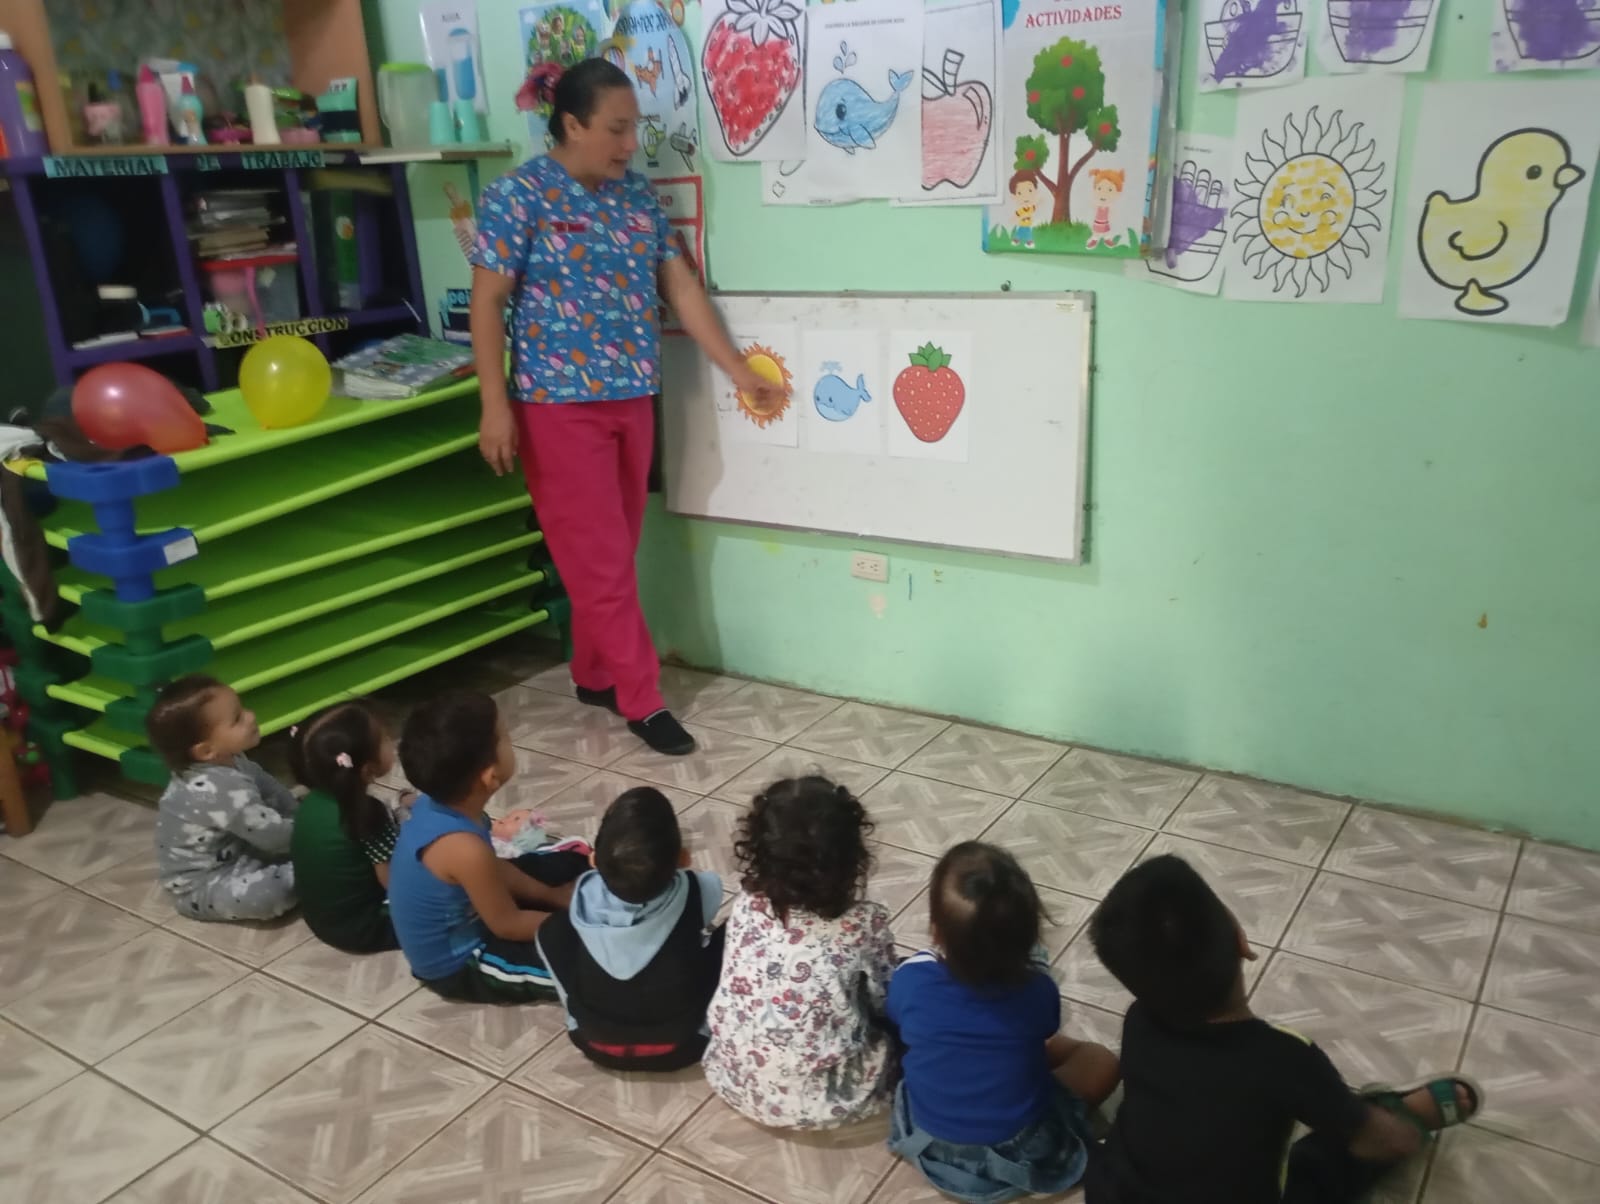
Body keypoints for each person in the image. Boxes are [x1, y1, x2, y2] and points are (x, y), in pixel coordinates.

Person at [470, 58, 778, 758]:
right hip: (555, 407)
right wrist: (494, 404)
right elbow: (487, 302)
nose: (629, 143)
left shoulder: (636, 197)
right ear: (571, 124)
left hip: (632, 397)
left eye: (633, 127)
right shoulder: (518, 196)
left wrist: (737, 370)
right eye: (616, 128)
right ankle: (643, 699)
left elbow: (681, 289)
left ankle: (593, 672)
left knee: (612, 553)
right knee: (603, 563)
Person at [1086, 855, 1483, 1204]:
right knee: (1321, 1163)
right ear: (1241, 940)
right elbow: (1376, 1142)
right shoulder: (1283, 1059)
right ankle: (1397, 1112)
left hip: (1114, 1193)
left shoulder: (1138, 1021)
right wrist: (1399, 1134)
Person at [887, 842, 1119, 1204]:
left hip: (932, 1140)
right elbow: (1046, 1028)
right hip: (1021, 1146)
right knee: (1101, 1061)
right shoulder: (1037, 990)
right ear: (1028, 939)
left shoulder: (910, 980)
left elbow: (896, 1018)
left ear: (935, 932)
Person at [702, 776, 899, 1128]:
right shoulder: (862, 924)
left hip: (735, 1077)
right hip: (824, 1101)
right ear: (852, 858)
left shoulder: (746, 904)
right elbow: (886, 998)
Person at [388, 690, 584, 1002]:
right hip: (462, 963)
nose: (511, 741)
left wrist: (552, 895)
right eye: (505, 737)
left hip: (479, 906)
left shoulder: (439, 804)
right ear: (490, 777)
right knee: (587, 969)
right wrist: (584, 924)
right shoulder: (463, 848)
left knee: (568, 863)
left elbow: (495, 868)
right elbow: (508, 925)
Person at [536, 785, 726, 1070]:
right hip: (687, 1045)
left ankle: (576, 1020)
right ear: (684, 859)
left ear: (593, 860)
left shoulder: (582, 897)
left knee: (551, 931)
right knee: (733, 933)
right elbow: (709, 895)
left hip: (594, 1044)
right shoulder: (701, 889)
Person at [148, 674, 297, 922]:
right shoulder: (218, 789)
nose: (251, 716)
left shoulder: (231, 758)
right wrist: (316, 841)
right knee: (271, 895)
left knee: (282, 838)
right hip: (205, 885)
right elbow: (273, 836)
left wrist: (297, 815)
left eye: (243, 709)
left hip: (238, 851)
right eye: (237, 719)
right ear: (206, 750)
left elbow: (271, 789)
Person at [288, 702, 403, 954]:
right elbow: (394, 882)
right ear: (367, 769)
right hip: (365, 927)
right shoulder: (366, 814)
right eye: (385, 738)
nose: (392, 742)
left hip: (322, 920)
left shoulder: (311, 801)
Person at [1086, 167, 1125, 249]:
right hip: (1097, 221)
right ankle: (1094, 240)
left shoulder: (1109, 206)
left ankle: (1107, 239)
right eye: (1099, 188)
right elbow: (1092, 209)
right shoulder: (1097, 204)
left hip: (1105, 222)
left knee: (1106, 231)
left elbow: (1113, 213)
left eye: (1110, 190)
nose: (1103, 193)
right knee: (1096, 231)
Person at [1009, 171, 1038, 247]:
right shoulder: (1021, 210)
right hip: (1021, 225)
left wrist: (1040, 201)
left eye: (1030, 190)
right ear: (1014, 196)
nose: (1026, 196)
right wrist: (1013, 220)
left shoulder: (1031, 208)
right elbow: (1016, 215)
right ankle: (1016, 240)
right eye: (1019, 193)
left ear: (1035, 191)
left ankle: (1029, 242)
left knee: (1029, 234)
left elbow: (1035, 207)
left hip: (1028, 225)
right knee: (1019, 233)